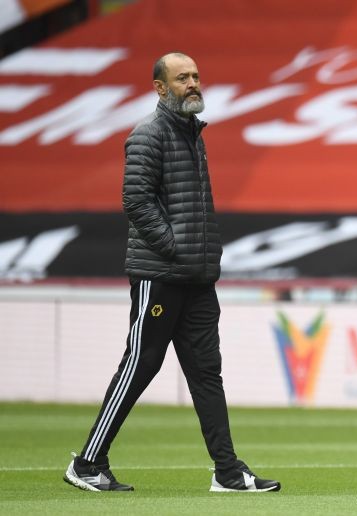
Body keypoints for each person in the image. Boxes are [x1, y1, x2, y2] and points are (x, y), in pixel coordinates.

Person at [63, 52, 280, 493]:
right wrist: (176, 248)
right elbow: (136, 201)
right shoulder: (148, 134)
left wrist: (198, 258)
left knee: (206, 373)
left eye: (197, 75)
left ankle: (227, 472)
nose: (194, 83)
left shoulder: (192, 134)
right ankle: (87, 463)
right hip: (161, 274)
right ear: (161, 88)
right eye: (183, 78)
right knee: (140, 364)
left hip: (197, 279)